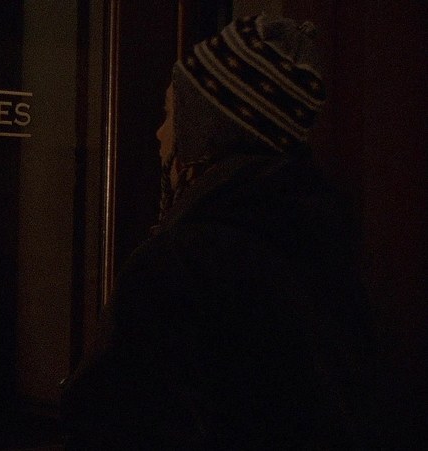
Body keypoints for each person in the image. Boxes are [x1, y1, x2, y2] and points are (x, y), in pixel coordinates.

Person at [62, 14, 372, 449]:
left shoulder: (176, 267)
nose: (159, 134)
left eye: (171, 114)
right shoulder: (326, 251)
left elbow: (110, 420)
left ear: (203, 135)